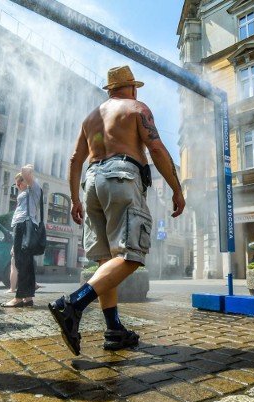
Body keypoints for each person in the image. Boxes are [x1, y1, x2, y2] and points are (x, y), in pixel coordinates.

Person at [48, 65, 185, 355]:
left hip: (92, 181)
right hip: (122, 177)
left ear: (109, 90)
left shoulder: (91, 118)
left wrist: (75, 198)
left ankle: (114, 329)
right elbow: (157, 150)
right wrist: (177, 188)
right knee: (130, 256)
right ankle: (73, 305)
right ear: (132, 87)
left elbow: (75, 160)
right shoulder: (137, 108)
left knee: (106, 260)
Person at [3, 165, 42, 307]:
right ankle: (28, 297)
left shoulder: (33, 190)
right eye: (16, 183)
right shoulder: (26, 192)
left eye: (20, 182)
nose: (18, 185)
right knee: (25, 262)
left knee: (22, 263)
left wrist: (26, 170)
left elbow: (27, 173)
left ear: (27, 180)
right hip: (21, 227)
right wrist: (14, 245)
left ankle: (19, 298)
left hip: (24, 226)